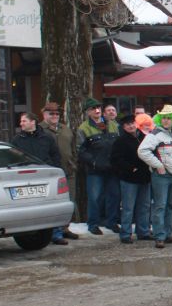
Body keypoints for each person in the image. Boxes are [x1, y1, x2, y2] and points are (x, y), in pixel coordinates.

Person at [12, 112, 68, 245]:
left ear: (33, 122)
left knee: (52, 205)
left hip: (46, 175)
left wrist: (55, 169)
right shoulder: (17, 139)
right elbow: (14, 157)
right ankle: (34, 234)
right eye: (21, 121)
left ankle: (57, 234)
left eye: (24, 121)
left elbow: (55, 155)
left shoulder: (46, 137)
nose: (21, 124)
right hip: (26, 177)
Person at [137, 105, 172, 248]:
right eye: (163, 117)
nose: (166, 120)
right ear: (160, 119)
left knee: (170, 206)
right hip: (162, 176)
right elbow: (142, 151)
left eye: (169, 118)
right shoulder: (155, 134)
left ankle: (168, 234)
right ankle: (159, 236)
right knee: (160, 206)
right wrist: (158, 165)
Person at [76, 98, 119, 235]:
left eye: (98, 107)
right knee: (94, 197)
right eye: (93, 108)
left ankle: (112, 222)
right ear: (88, 112)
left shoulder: (112, 124)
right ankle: (93, 223)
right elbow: (80, 150)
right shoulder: (83, 128)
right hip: (95, 169)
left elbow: (118, 144)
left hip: (112, 168)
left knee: (114, 196)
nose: (97, 110)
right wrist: (93, 162)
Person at [110, 114, 152, 243]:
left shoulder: (145, 137)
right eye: (127, 125)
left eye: (132, 123)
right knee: (128, 208)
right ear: (123, 127)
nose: (131, 126)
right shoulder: (120, 141)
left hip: (145, 177)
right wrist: (130, 168)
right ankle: (126, 234)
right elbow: (115, 159)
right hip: (129, 178)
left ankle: (143, 231)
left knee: (144, 206)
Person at [39, 102, 79, 239]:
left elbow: (73, 148)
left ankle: (65, 228)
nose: (55, 116)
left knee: (70, 201)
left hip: (68, 170)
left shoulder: (65, 129)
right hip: (50, 173)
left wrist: (73, 162)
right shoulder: (40, 130)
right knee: (53, 203)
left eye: (57, 113)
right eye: (51, 113)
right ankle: (51, 231)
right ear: (44, 114)